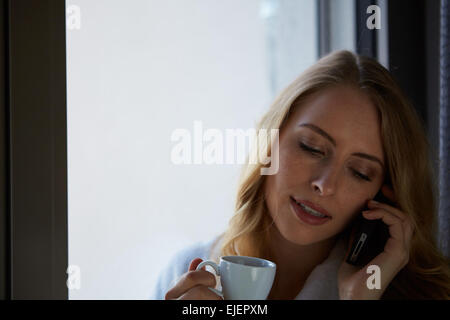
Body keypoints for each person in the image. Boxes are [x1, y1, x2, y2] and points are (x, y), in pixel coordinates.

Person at [151, 50, 450, 300]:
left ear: (385, 194)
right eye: (311, 148)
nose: (324, 184)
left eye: (359, 172)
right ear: (271, 141)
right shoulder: (183, 276)